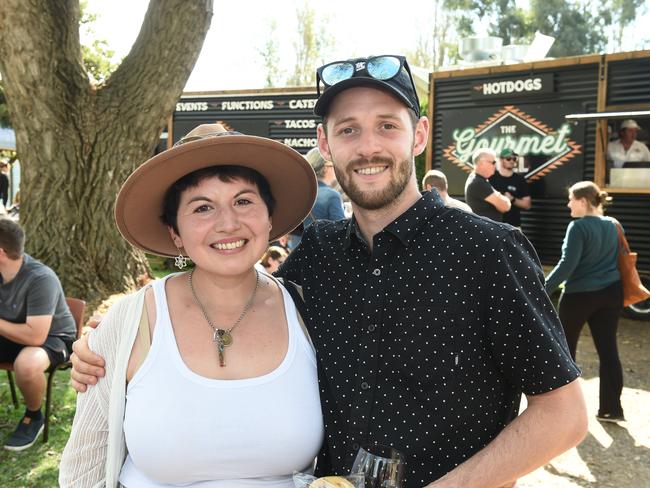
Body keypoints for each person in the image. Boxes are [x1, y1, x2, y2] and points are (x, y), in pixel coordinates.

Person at [71, 55, 587, 488]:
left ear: (419, 134)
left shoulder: (487, 251)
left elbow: (563, 415)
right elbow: (235, 289)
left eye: (387, 125)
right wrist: (104, 349)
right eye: (348, 130)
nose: (368, 147)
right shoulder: (316, 257)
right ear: (325, 141)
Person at [59, 124, 323, 487]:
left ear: (270, 218)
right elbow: (84, 467)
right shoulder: (130, 321)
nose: (228, 223)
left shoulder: (311, 312)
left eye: (243, 201)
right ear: (176, 234)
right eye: (202, 208)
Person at [545, 181, 625, 423]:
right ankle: (612, 409)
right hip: (612, 294)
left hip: (579, 296)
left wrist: (541, 289)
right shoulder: (613, 224)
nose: (568, 204)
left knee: (565, 352)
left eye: (571, 199)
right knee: (609, 350)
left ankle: (565, 412)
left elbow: (567, 265)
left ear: (582, 201)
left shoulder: (577, 228)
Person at [0, 218, 76, 451]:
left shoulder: (41, 278)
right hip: (11, 330)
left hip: (53, 338)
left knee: (27, 365)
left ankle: (34, 416)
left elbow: (35, 337)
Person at [303, 147, 346, 228]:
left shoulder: (298, 193)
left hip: (297, 240)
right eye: (333, 164)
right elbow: (341, 229)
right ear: (325, 168)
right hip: (320, 240)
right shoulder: (332, 196)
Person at [464, 148, 511, 221]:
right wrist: (501, 197)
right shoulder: (478, 182)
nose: (495, 166)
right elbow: (505, 206)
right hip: (485, 230)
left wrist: (498, 197)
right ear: (482, 163)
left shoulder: (478, 179)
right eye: (493, 162)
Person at [489, 149, 531, 227]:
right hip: (493, 225)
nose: (512, 161)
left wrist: (512, 199)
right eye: (508, 158)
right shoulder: (491, 178)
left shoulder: (520, 180)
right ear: (501, 160)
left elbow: (527, 205)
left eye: (514, 158)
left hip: (513, 226)